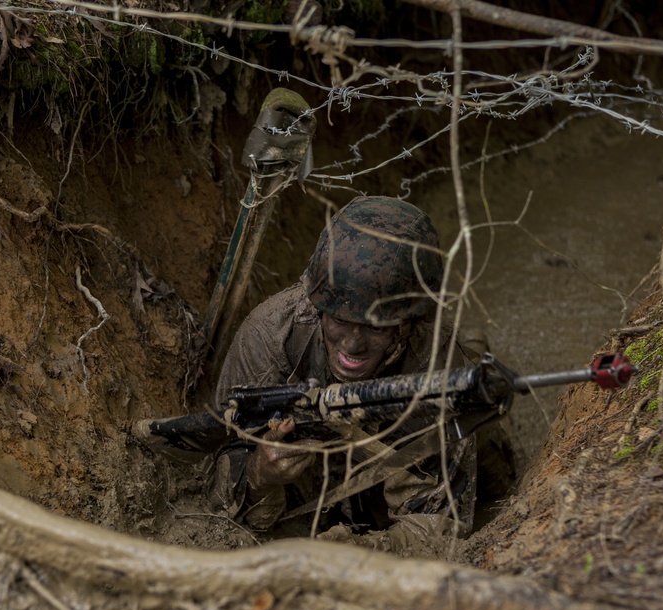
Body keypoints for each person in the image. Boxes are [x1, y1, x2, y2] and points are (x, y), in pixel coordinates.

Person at [208, 196, 510, 555]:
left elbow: (439, 530)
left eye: (376, 328)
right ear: (320, 307)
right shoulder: (270, 337)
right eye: (339, 320)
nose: (353, 345)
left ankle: (475, 352)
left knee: (498, 474)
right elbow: (212, 492)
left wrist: (363, 551)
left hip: (396, 458)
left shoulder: (436, 365)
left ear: (408, 323)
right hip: (311, 480)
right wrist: (259, 475)